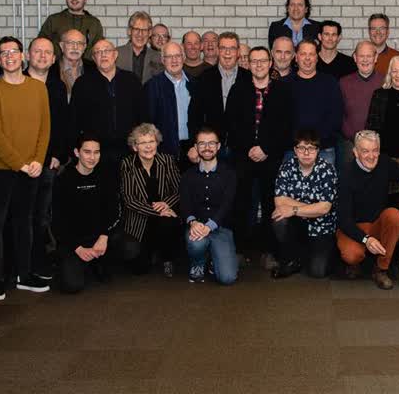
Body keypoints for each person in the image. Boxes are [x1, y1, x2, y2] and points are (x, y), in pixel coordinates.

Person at [0, 36, 51, 300]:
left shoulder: (38, 88)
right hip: (2, 170)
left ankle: (24, 274)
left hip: (32, 169)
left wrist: (38, 160)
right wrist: (20, 164)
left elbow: (45, 128)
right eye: (4, 53)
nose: (9, 56)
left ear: (23, 56)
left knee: (25, 223)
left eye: (14, 51)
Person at [225, 46, 292, 261]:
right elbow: (231, 124)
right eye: (254, 61)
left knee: (271, 202)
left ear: (270, 63)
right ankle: (239, 250)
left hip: (271, 157)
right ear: (248, 64)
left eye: (263, 60)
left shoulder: (283, 91)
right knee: (241, 203)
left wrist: (266, 149)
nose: (259, 65)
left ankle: (270, 251)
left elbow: (286, 127)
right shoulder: (238, 90)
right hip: (243, 156)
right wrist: (249, 149)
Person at [337, 130, 399, 290]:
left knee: (394, 216)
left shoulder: (384, 163)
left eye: (375, 150)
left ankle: (381, 269)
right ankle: (356, 263)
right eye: (365, 151)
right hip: (352, 226)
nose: (371, 156)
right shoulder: (345, 173)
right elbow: (343, 220)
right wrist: (366, 239)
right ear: (355, 152)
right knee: (352, 255)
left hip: (376, 223)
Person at [24, 37, 69, 280]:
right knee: (23, 215)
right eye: (37, 51)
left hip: (49, 162)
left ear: (53, 59)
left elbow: (61, 124)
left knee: (43, 216)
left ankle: (41, 259)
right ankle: (22, 263)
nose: (42, 56)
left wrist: (57, 155)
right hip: (22, 163)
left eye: (47, 53)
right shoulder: (16, 82)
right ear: (28, 55)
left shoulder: (57, 86)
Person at [53, 135, 119, 294]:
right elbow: (57, 221)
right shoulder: (63, 179)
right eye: (87, 152)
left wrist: (104, 236)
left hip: (99, 237)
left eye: (96, 152)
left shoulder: (106, 176)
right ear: (77, 152)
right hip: (74, 241)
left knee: (129, 247)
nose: (92, 157)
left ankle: (97, 262)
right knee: (72, 286)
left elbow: (114, 211)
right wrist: (77, 248)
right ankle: (79, 262)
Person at [271, 129, 338, 279]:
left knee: (317, 272)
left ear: (318, 150)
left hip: (322, 227)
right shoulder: (286, 167)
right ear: (295, 150)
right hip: (297, 224)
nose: (306, 153)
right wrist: (313, 207)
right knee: (279, 218)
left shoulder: (327, 170)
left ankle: (311, 255)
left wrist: (294, 209)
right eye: (302, 148)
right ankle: (292, 258)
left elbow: (325, 208)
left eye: (311, 148)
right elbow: (280, 202)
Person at [120, 123, 182, 277]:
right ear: (135, 147)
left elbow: (179, 190)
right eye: (143, 143)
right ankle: (152, 251)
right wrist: (157, 211)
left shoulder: (167, 160)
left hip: (165, 217)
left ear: (157, 143)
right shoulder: (127, 164)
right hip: (140, 219)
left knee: (168, 223)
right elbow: (129, 199)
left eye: (151, 141)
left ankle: (167, 258)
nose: (148, 146)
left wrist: (166, 204)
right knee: (139, 269)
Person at [180, 125, 239, 285]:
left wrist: (210, 226)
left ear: (218, 146)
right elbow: (185, 204)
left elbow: (227, 205)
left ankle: (214, 258)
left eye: (211, 143)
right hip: (197, 227)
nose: (207, 148)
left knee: (227, 278)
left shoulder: (229, 174)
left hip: (221, 228)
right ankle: (198, 263)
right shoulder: (187, 175)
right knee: (196, 243)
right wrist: (193, 222)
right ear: (196, 147)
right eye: (202, 143)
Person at [70, 40, 143, 166]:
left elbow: (142, 114)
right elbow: (74, 118)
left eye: (107, 51)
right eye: (98, 52)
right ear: (94, 58)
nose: (103, 55)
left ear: (115, 55)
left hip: (128, 149)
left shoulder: (132, 80)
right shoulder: (82, 83)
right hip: (95, 152)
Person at [187, 32, 251, 152]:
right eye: (223, 48)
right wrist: (194, 145)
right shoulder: (204, 78)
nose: (227, 53)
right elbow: (194, 116)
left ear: (238, 52)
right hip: (211, 148)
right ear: (217, 51)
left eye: (232, 48)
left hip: (243, 149)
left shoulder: (249, 78)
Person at [287, 40, 343, 167]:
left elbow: (336, 116)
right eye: (303, 54)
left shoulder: (330, 82)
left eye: (311, 54)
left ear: (317, 58)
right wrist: (301, 144)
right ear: (296, 57)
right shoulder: (285, 84)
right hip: (293, 150)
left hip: (324, 149)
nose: (307, 58)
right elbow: (282, 119)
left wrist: (313, 144)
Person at [144, 42, 193, 164]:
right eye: (169, 56)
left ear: (183, 57)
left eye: (177, 56)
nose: (174, 60)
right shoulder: (152, 86)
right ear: (163, 60)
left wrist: (198, 146)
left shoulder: (194, 84)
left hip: (192, 151)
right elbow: (148, 123)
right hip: (163, 152)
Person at [339, 41, 383, 170]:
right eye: (361, 56)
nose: (365, 60)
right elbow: (339, 114)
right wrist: (353, 138)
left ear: (375, 58)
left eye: (369, 56)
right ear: (355, 57)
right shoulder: (343, 83)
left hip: (377, 146)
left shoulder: (385, 81)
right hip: (350, 144)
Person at [37, 0, 104, 56]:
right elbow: (40, 45)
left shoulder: (94, 23)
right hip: (58, 63)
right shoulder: (53, 20)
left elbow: (100, 49)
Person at [115, 11, 163, 84]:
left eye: (144, 30)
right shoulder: (116, 54)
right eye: (136, 29)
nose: (140, 34)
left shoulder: (158, 58)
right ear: (129, 31)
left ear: (149, 33)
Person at [54, 29, 95, 101]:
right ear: (61, 46)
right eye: (70, 43)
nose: (75, 47)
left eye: (79, 43)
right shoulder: (51, 69)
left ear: (84, 47)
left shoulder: (94, 68)